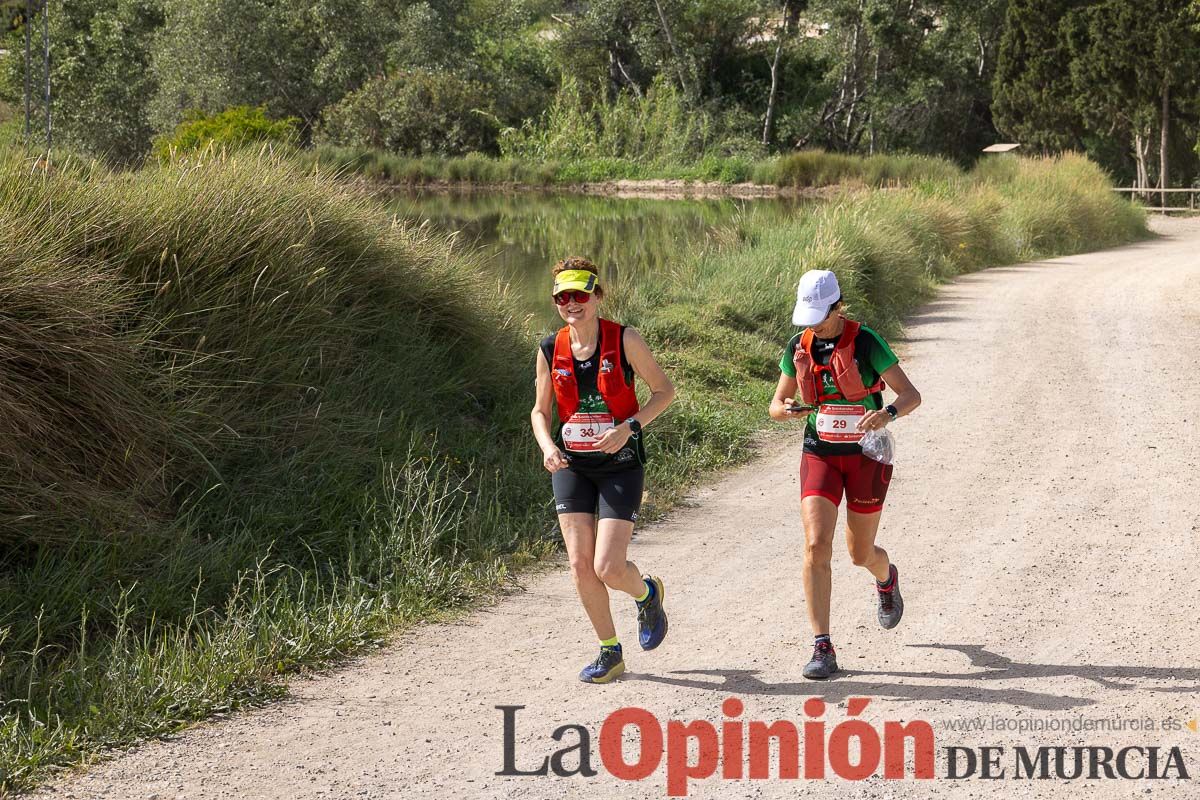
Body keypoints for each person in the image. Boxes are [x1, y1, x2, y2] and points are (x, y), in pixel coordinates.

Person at [768, 269, 921, 680]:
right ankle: (822, 646)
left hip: (865, 456)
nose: (814, 324)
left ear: (839, 306)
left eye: (821, 314)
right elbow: (776, 404)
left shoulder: (866, 341)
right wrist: (789, 410)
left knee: (859, 554)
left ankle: (886, 579)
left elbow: (910, 395)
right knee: (816, 545)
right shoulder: (797, 345)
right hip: (819, 453)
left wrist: (886, 413)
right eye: (808, 316)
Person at [531, 257, 677, 684]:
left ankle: (647, 595)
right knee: (580, 565)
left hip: (620, 465)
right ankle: (610, 651)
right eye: (562, 297)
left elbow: (664, 392)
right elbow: (540, 411)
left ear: (597, 296)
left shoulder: (624, 339)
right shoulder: (548, 348)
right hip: (572, 464)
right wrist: (547, 446)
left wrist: (629, 427)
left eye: (579, 295)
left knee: (609, 567)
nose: (571, 304)